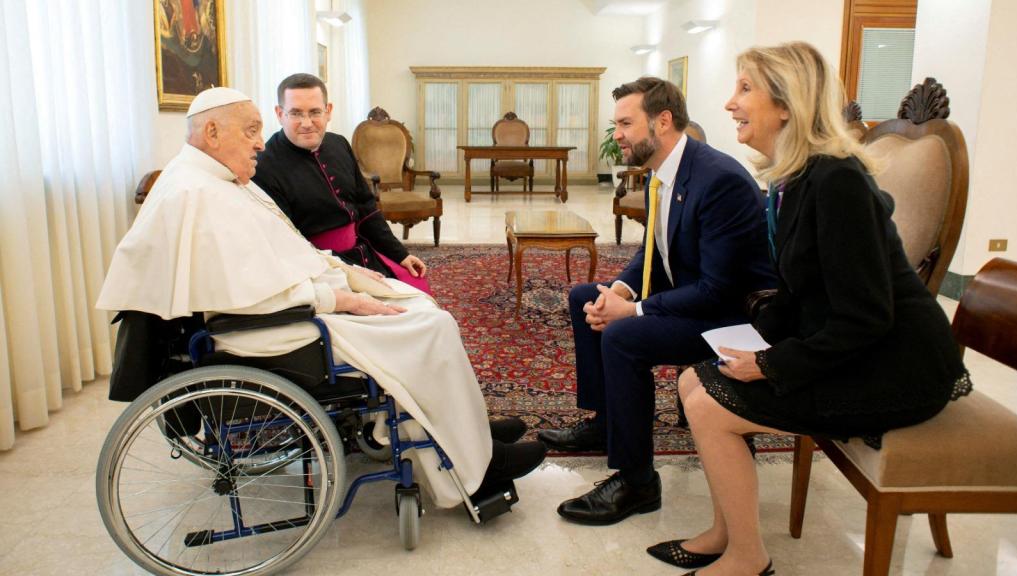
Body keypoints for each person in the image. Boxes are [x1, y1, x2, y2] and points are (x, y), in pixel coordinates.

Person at [97, 87, 545, 508]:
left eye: (259, 131)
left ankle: (471, 435)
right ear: (212, 132)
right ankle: (477, 467)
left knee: (418, 306)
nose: (258, 143)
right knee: (428, 327)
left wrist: (347, 275)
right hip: (275, 329)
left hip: (287, 305)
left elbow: (278, 254)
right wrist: (340, 298)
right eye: (251, 131)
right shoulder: (197, 192)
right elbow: (247, 292)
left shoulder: (210, 177)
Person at [647, 42, 972, 576]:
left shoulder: (836, 179)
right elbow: (802, 293)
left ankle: (749, 559)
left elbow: (866, 316)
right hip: (857, 345)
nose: (729, 103)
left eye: (745, 88)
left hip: (895, 364)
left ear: (787, 104)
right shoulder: (800, 177)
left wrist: (773, 363)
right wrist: (755, 337)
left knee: (708, 406)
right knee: (692, 382)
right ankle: (726, 533)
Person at [537, 77, 776, 525]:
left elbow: (718, 290)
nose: (618, 135)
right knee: (585, 297)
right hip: (696, 296)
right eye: (617, 124)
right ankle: (606, 422)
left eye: (626, 123)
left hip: (732, 317)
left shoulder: (718, 180)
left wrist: (635, 310)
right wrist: (622, 291)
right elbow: (654, 251)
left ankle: (637, 480)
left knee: (625, 334)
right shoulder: (665, 172)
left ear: (662, 121)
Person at [252, 73, 430, 294]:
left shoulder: (338, 143)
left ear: (328, 111)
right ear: (280, 114)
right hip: (321, 270)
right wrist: (346, 269)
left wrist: (399, 254)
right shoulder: (264, 165)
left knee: (417, 283)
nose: (307, 124)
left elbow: (366, 209)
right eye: (296, 113)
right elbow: (289, 244)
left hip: (361, 250)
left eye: (315, 112)